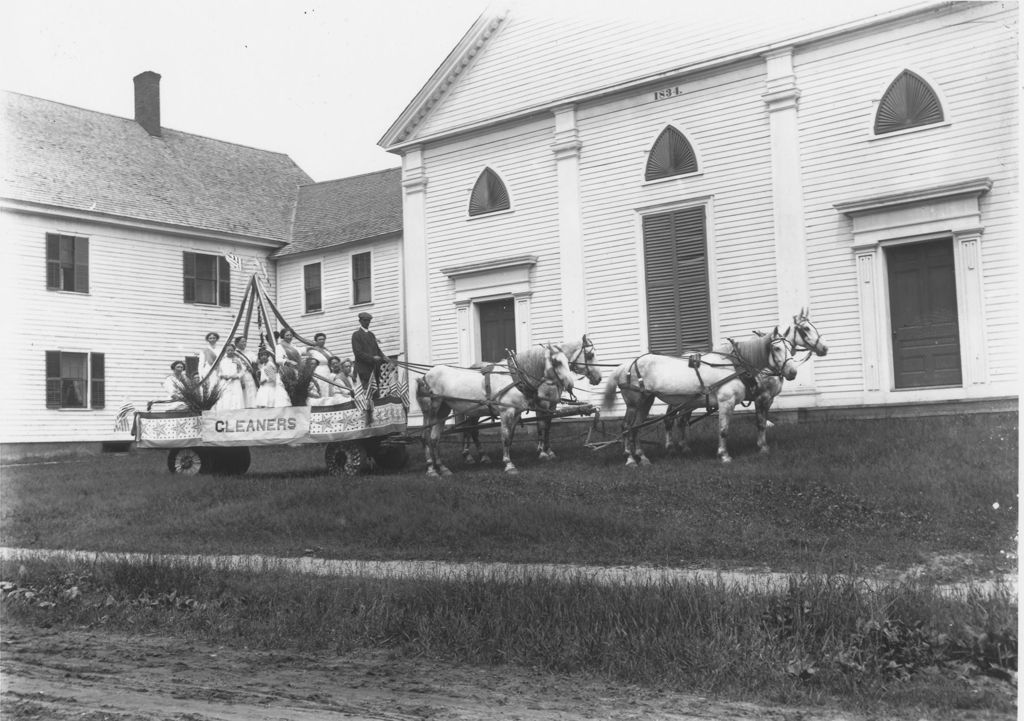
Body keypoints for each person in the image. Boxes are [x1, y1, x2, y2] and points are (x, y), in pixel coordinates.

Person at [351, 312, 387, 392]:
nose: (367, 322)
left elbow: (377, 350)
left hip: (374, 370)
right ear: (360, 321)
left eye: (368, 321)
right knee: (366, 395)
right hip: (363, 371)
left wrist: (384, 357)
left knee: (375, 395)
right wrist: (372, 358)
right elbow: (358, 353)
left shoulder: (371, 335)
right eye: (365, 320)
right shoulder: (356, 335)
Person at [214, 343, 246, 411]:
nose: (230, 352)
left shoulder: (237, 360)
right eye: (228, 350)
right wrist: (223, 376)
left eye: (232, 350)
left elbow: (242, 371)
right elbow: (218, 372)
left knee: (236, 398)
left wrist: (236, 376)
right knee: (226, 398)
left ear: (234, 350)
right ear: (225, 351)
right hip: (225, 382)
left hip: (235, 382)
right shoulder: (222, 361)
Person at [233, 336, 258, 407]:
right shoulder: (234, 353)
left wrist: (261, 351)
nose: (245, 343)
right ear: (237, 343)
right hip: (239, 376)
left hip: (249, 375)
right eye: (242, 342)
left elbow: (256, 360)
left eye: (245, 342)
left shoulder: (249, 352)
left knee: (251, 392)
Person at [305, 332, 332, 396]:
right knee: (321, 387)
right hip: (318, 371)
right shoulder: (312, 351)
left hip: (328, 370)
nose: (322, 341)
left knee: (328, 388)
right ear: (316, 341)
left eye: (323, 339)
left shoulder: (327, 350)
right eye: (320, 339)